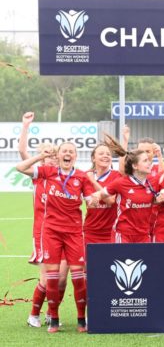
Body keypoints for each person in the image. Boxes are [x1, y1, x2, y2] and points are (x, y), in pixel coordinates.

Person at [16, 142, 96, 333]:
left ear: (75, 156)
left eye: (71, 151)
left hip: (74, 232)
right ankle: (53, 319)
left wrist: (93, 199)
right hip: (51, 232)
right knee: (52, 277)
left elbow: (90, 199)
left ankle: (81, 320)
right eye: (64, 151)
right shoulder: (48, 172)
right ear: (58, 156)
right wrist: (40, 157)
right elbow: (20, 167)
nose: (68, 154)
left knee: (78, 277)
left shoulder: (81, 176)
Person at [18, 112, 68, 328]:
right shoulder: (38, 175)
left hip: (67, 232)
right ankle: (33, 314)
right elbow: (21, 153)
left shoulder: (65, 176)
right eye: (47, 156)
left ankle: (51, 312)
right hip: (44, 232)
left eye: (53, 156)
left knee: (63, 279)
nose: (52, 158)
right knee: (48, 279)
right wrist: (26, 126)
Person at [92, 148, 164, 243]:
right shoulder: (121, 183)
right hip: (123, 234)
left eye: (149, 160)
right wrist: (95, 198)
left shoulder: (152, 181)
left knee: (143, 258)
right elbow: (101, 194)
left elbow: (163, 185)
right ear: (135, 166)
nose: (149, 163)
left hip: (144, 234)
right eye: (145, 160)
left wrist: (159, 198)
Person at [83, 137, 124, 245]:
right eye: (101, 153)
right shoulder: (85, 176)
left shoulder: (117, 176)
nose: (105, 156)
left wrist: (93, 182)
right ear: (93, 158)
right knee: (90, 262)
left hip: (111, 231)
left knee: (110, 262)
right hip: (90, 231)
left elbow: (111, 200)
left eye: (108, 154)